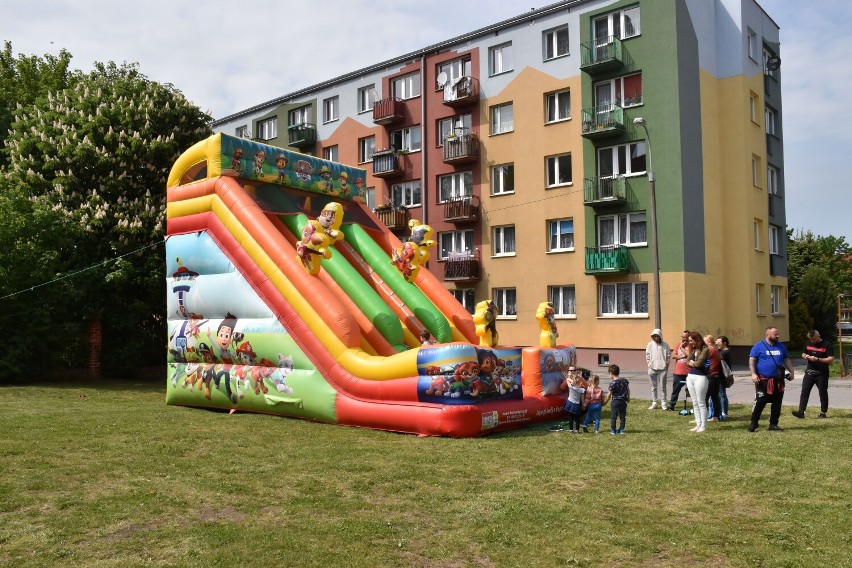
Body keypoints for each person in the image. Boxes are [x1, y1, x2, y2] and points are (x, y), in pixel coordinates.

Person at [748, 326, 795, 432]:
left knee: (777, 403)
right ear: (768, 334)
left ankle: (773, 424)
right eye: (775, 334)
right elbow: (752, 361)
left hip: (778, 380)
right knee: (760, 402)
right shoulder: (758, 346)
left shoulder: (781, 346)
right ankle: (753, 423)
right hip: (763, 380)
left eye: (778, 334)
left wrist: (792, 372)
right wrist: (753, 374)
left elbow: (786, 360)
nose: (778, 336)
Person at [792, 329, 834, 419]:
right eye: (811, 340)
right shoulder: (808, 343)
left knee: (822, 392)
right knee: (804, 392)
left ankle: (823, 412)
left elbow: (831, 359)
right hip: (809, 372)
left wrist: (818, 359)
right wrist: (805, 356)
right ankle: (801, 412)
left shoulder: (827, 344)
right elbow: (803, 353)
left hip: (822, 373)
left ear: (819, 336)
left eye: (814, 339)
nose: (813, 341)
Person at [685, 331, 710, 432]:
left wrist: (692, 363)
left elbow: (699, 364)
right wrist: (692, 363)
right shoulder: (693, 350)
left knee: (701, 402)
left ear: (697, 339)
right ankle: (698, 423)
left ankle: (703, 425)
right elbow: (687, 361)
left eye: (692, 341)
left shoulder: (705, 349)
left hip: (700, 377)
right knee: (694, 403)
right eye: (689, 341)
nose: (690, 343)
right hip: (690, 376)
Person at [645, 329, 671, 410]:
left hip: (663, 369)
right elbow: (647, 355)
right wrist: (649, 364)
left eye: (657, 336)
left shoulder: (665, 345)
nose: (656, 338)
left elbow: (668, 355)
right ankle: (654, 402)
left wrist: (666, 365)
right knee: (653, 386)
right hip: (652, 368)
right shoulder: (650, 344)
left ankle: (663, 402)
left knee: (663, 387)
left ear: (660, 336)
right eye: (654, 336)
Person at [667, 331, 691, 411]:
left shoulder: (691, 345)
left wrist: (682, 349)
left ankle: (695, 406)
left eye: (685, 337)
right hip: (678, 372)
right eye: (682, 337)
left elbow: (689, 355)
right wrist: (682, 355)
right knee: (675, 390)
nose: (684, 339)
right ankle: (671, 405)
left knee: (691, 390)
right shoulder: (678, 344)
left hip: (688, 372)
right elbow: (673, 356)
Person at [605, 364, 630, 435]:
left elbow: (609, 394)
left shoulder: (612, 383)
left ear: (611, 373)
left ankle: (613, 430)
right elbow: (628, 389)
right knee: (622, 416)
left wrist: (605, 401)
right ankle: (621, 429)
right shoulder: (624, 380)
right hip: (623, 401)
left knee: (614, 416)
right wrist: (628, 397)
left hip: (615, 401)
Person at [703, 334, 723, 422]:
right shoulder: (715, 350)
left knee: (705, 397)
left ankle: (704, 417)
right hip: (716, 376)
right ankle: (716, 416)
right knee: (715, 397)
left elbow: (702, 360)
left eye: (704, 341)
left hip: (711, 375)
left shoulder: (709, 349)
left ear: (708, 342)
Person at [716, 336, 732, 419]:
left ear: (724, 343)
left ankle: (724, 411)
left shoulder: (724, 353)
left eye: (719, 342)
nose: (717, 344)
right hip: (722, 376)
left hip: (722, 376)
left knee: (721, 394)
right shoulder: (724, 352)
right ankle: (724, 411)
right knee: (722, 394)